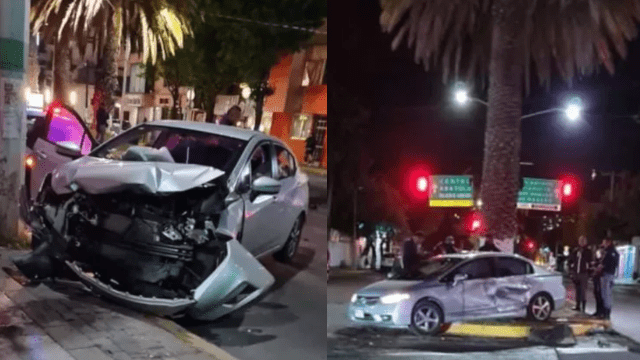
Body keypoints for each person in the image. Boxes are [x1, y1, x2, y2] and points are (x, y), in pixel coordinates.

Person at [568, 236, 592, 312]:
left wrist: (589, 273)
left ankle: (583, 307)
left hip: (584, 273)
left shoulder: (588, 251)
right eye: (580, 240)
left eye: (583, 240)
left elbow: (589, 260)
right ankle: (577, 305)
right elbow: (571, 260)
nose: (581, 242)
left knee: (583, 290)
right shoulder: (576, 251)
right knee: (577, 290)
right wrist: (571, 270)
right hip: (576, 273)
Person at [599, 236, 620, 320]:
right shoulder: (609, 251)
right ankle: (605, 312)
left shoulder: (611, 252)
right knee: (605, 294)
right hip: (607, 274)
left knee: (606, 294)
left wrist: (603, 267)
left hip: (608, 275)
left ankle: (607, 313)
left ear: (608, 242)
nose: (603, 244)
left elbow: (609, 264)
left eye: (604, 242)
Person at [591, 242, 605, 317]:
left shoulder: (603, 260)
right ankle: (598, 311)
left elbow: (600, 269)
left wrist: (596, 269)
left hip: (600, 279)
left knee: (600, 295)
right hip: (596, 278)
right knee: (596, 295)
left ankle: (601, 312)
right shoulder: (598, 260)